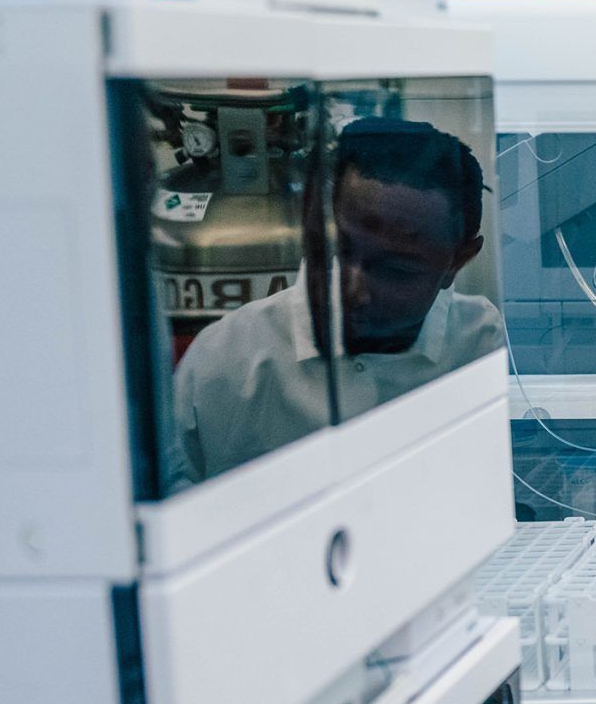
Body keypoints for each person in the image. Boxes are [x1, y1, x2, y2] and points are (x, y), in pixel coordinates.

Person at [171, 116, 503, 484]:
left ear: (457, 261)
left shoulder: (479, 345)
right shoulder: (225, 362)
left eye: (395, 270)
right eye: (340, 252)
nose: (353, 290)